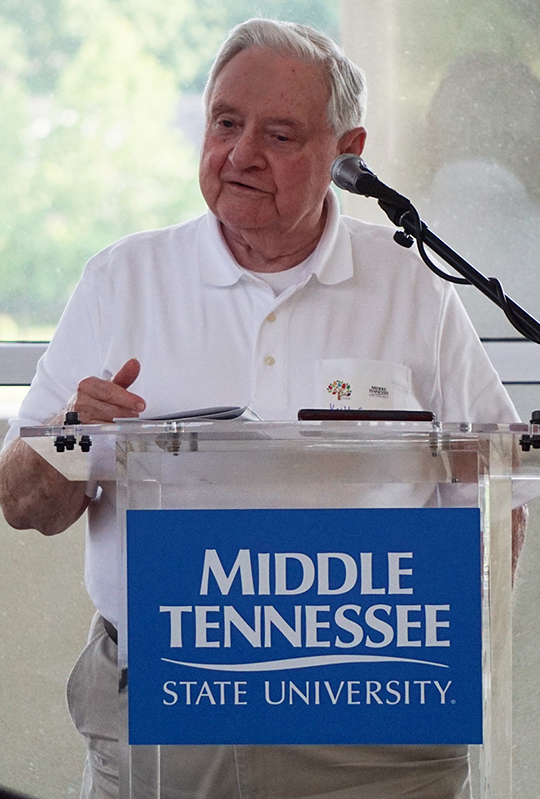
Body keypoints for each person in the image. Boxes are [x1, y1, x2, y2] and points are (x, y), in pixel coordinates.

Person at [0, 18, 524, 799]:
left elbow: (497, 486)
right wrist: (77, 435)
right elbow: (22, 502)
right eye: (225, 123)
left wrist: (443, 657)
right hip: (169, 713)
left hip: (372, 723)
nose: (241, 153)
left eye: (279, 134)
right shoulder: (124, 279)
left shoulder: (411, 288)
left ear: (348, 151)